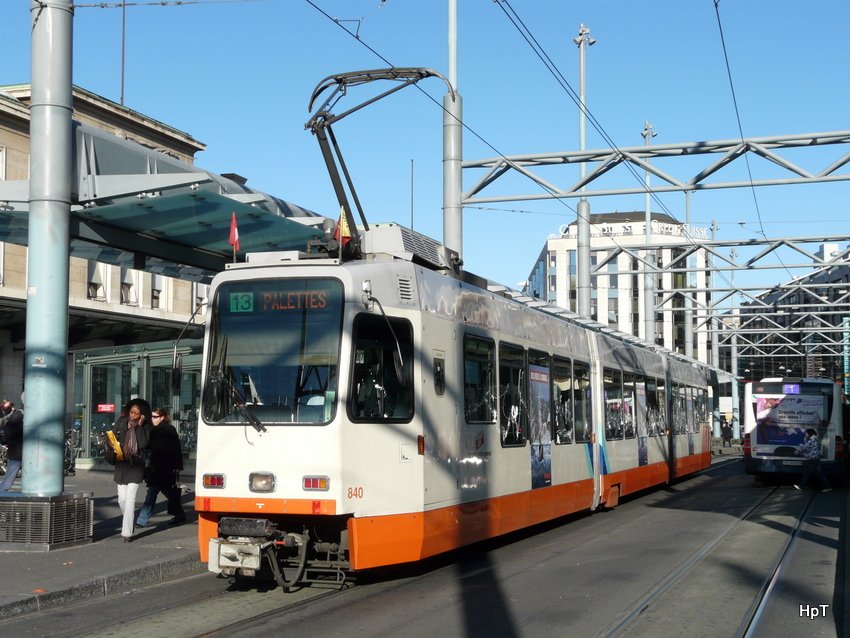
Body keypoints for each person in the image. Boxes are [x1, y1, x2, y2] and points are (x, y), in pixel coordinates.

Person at [106, 398, 152, 541]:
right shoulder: (122, 421)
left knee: (130, 498)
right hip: (122, 463)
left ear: (142, 415)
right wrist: (112, 443)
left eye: (136, 414)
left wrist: (138, 426)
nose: (132, 415)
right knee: (122, 499)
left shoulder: (146, 427)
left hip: (136, 464)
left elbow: (143, 444)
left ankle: (127, 533)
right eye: (131, 412)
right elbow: (112, 437)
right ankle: (129, 520)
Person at [135, 407, 186, 527]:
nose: (152, 419)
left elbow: (175, 449)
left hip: (165, 468)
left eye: (155, 417)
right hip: (160, 468)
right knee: (168, 493)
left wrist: (177, 466)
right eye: (152, 417)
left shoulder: (168, 430)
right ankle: (179, 514)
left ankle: (142, 520)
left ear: (162, 417)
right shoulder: (155, 429)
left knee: (153, 493)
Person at [794, 428, 831, 492]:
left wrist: (797, 450)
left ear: (809, 433)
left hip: (811, 459)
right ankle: (828, 486)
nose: (805, 434)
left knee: (807, 473)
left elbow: (805, 448)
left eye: (806, 433)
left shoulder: (811, 440)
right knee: (819, 473)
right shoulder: (815, 439)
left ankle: (801, 486)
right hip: (816, 459)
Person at [0, 399, 24, 493]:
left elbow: (8, 434)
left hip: (16, 450)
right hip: (24, 450)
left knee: (10, 475)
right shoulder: (20, 415)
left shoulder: (14, 418)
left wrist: (3, 439)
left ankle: (2, 490)